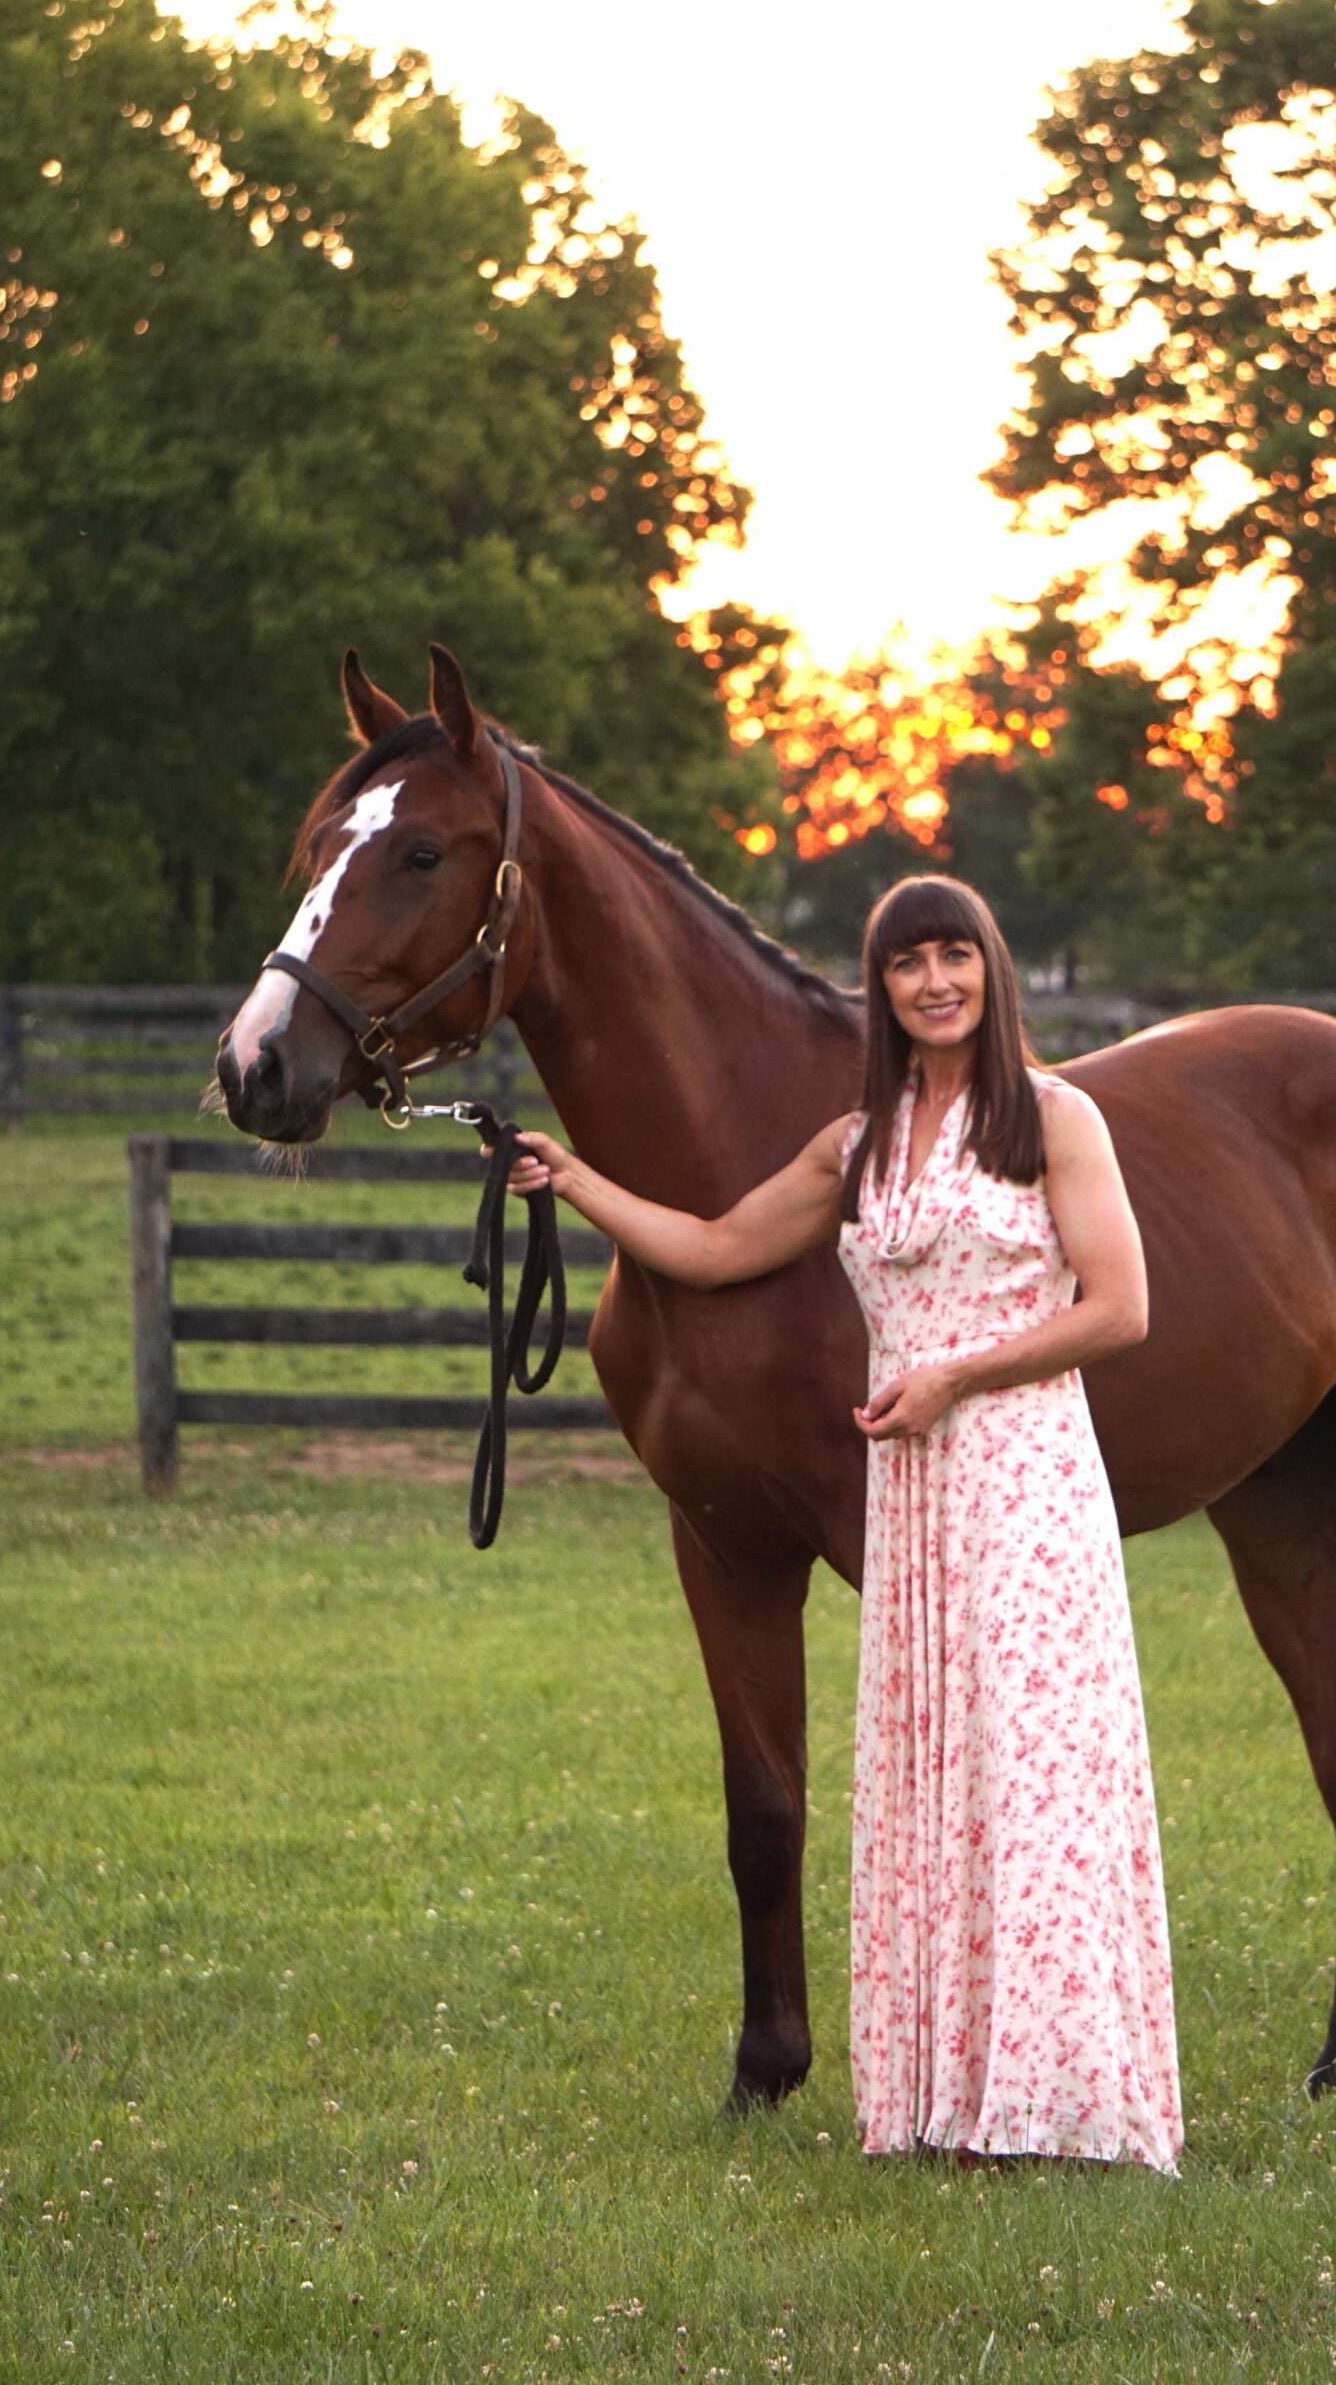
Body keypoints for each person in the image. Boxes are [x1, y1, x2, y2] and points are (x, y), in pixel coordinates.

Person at [503, 876, 1181, 2168]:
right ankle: (945, 2097)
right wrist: (575, 1179)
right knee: (930, 1782)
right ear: (879, 989)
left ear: (990, 969)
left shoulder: (1054, 1118)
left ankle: (1061, 2103)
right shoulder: (854, 1146)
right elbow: (713, 1248)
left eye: (954, 956)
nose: (934, 983)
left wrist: (957, 1377)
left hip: (1023, 1478)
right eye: (907, 964)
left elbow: (1119, 1308)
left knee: (1032, 1775)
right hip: (912, 1489)